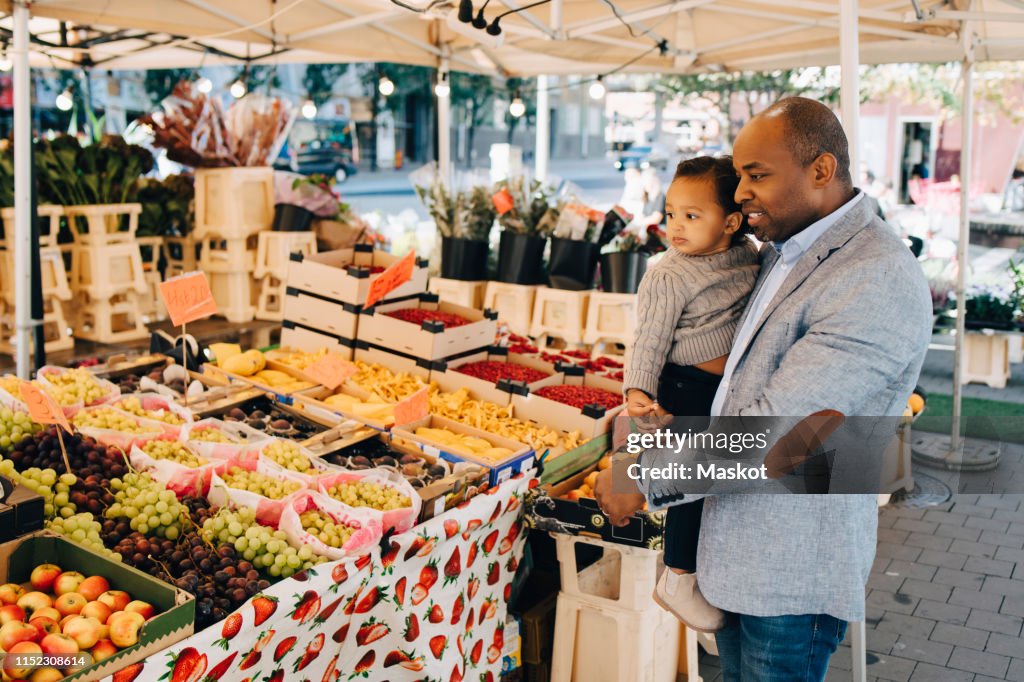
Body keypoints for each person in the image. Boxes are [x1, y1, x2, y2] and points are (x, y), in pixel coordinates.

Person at [596, 97, 932, 681]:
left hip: (790, 577)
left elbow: (783, 433)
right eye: (741, 173)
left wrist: (641, 477)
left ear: (821, 171)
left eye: (758, 175)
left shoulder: (873, 275)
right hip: (740, 559)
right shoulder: (783, 250)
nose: (741, 191)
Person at [624, 156, 758, 632]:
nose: (675, 225)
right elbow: (649, 338)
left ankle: (702, 572)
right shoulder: (669, 273)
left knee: (717, 483)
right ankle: (677, 575)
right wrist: (638, 390)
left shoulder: (751, 256)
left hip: (723, 391)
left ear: (732, 222)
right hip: (683, 387)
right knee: (687, 485)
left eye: (691, 215)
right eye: (671, 212)